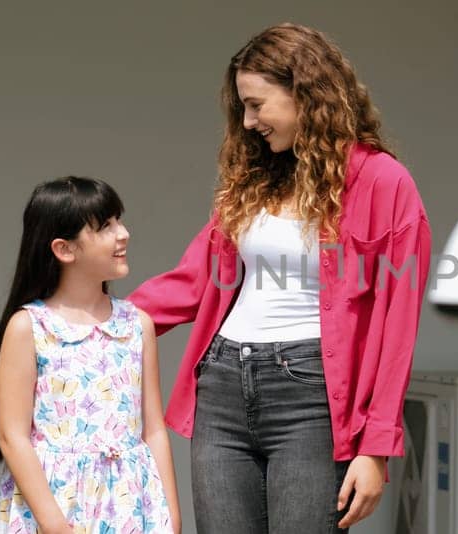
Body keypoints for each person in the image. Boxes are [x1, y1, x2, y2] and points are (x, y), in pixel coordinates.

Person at [129, 23, 431, 533]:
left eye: (257, 104)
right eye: (242, 107)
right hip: (223, 386)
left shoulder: (382, 182)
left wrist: (376, 447)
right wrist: (96, 323)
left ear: (306, 96)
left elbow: (398, 324)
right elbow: (192, 281)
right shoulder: (252, 180)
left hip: (312, 398)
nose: (247, 122)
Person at [0, 176, 181, 534]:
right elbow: (12, 436)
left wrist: (170, 518)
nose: (123, 234)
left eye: (118, 221)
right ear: (64, 249)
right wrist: (55, 525)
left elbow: (153, 430)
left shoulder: (137, 325)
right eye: (105, 226)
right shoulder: (30, 327)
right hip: (56, 508)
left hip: (131, 504)